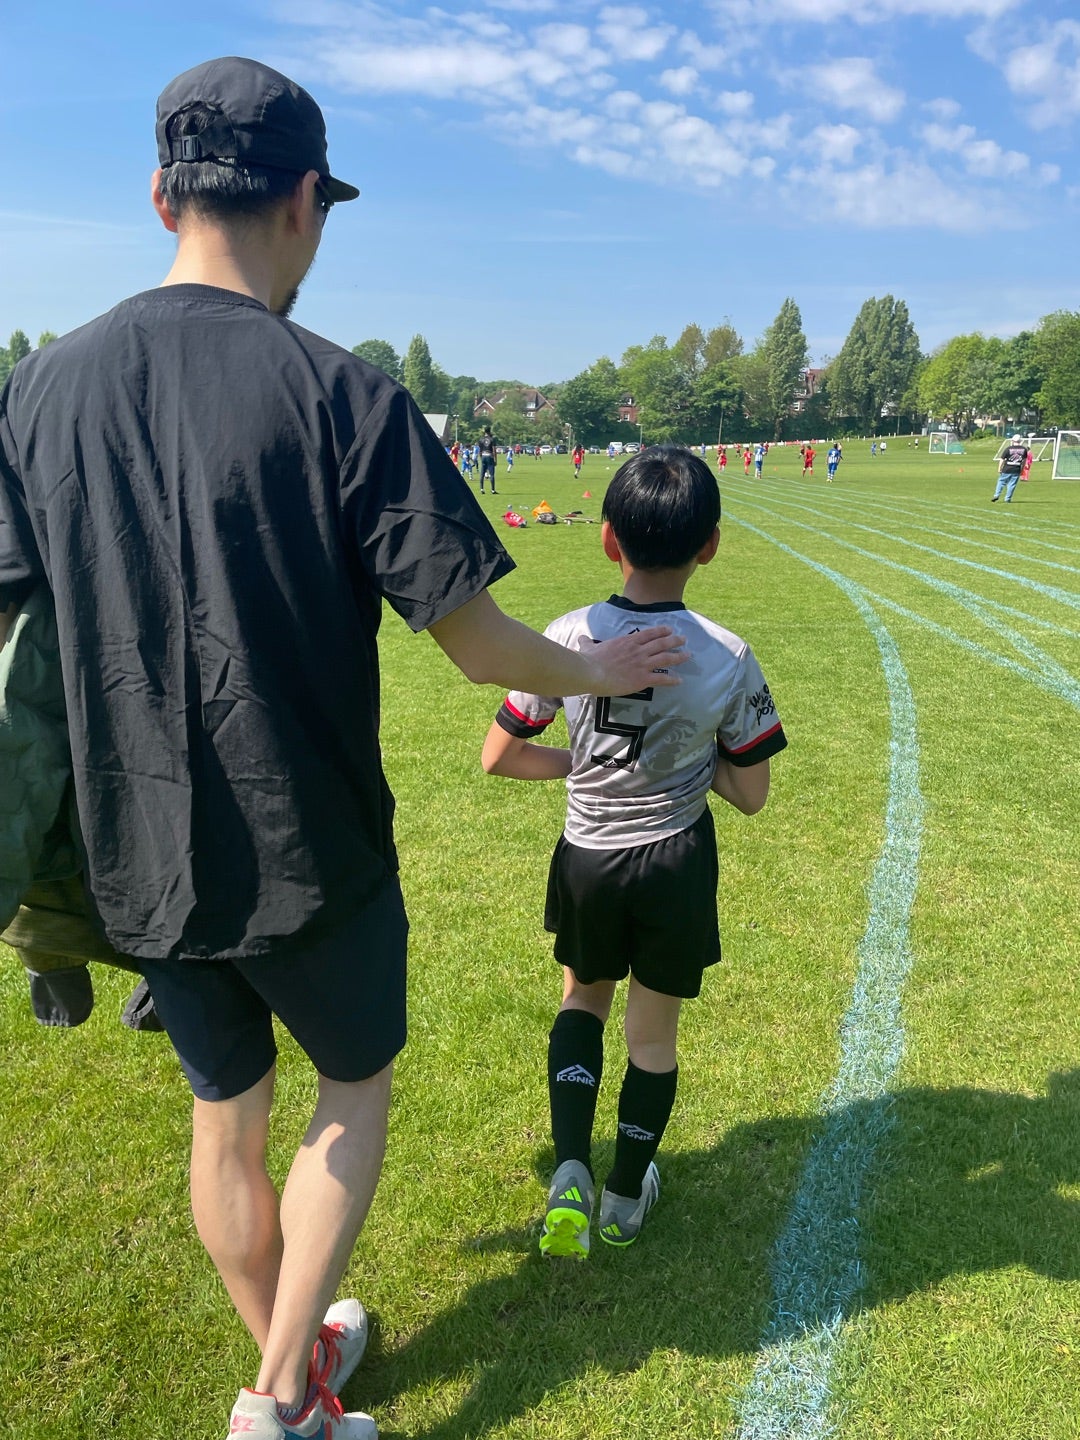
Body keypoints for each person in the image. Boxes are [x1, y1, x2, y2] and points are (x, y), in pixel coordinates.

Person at [0, 56, 688, 1440]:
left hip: (137, 844)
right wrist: (600, 668)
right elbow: (480, 645)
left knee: (225, 1120)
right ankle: (276, 1402)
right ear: (305, 200)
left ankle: (295, 1368)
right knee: (348, 1096)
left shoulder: (36, 392)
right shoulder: (346, 394)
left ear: (161, 197)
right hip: (306, 837)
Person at [481, 446, 787, 1258]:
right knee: (652, 1039)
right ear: (709, 545)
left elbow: (500, 755)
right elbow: (752, 792)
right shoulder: (727, 653)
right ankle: (623, 1197)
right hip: (674, 863)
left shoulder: (569, 634)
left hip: (588, 855)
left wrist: (581, 764)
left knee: (582, 1002)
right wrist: (683, 757)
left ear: (608, 538)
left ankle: (570, 1169)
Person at [992, 433, 1032, 503]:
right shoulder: (1024, 449)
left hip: (1007, 468)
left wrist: (999, 468)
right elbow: (1024, 461)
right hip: (1016, 469)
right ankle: (1007, 498)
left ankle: (997, 495)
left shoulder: (1008, 449)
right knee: (1012, 484)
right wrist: (1022, 470)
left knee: (1001, 482)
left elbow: (1002, 459)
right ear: (1020, 441)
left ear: (1013, 441)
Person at [478, 427, 498, 493]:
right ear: (490, 431)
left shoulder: (481, 439)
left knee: (482, 473)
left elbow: (480, 450)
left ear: (484, 431)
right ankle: (493, 490)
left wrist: (481, 458)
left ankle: (481, 489)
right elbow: (494, 450)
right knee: (491, 474)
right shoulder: (492, 439)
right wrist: (495, 460)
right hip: (489, 455)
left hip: (483, 455)